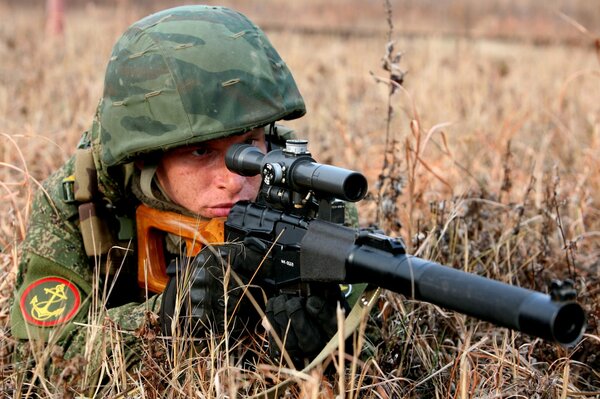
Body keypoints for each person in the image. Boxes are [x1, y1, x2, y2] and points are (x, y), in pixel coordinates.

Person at [10, 5, 375, 387]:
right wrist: (166, 320)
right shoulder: (79, 202)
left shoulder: (304, 199)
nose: (233, 180)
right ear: (147, 156)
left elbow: (383, 351)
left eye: (249, 144)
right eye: (201, 152)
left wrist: (335, 344)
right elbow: (38, 360)